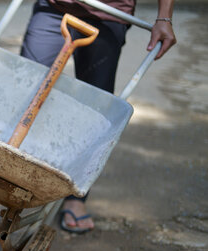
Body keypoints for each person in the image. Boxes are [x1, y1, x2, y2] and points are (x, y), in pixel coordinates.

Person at [20, 0, 176, 233]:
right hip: (53, 6)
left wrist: (164, 17)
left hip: (109, 14)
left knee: (93, 112)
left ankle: (74, 197)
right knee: (22, 88)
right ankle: (18, 180)